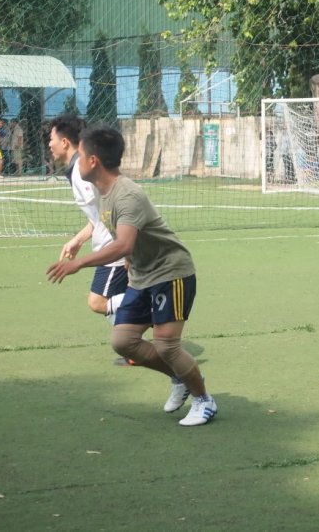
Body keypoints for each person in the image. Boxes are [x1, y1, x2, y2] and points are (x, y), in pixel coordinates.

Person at [47, 125, 216, 426]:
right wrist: (83, 240)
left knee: (167, 345)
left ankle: (204, 399)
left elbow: (124, 242)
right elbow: (112, 229)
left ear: (94, 160)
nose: (77, 160)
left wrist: (79, 263)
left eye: (81, 155)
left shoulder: (128, 194)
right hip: (141, 275)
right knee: (124, 341)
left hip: (170, 272)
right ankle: (181, 377)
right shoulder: (103, 193)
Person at [47, 115, 129, 331]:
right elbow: (99, 214)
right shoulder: (78, 169)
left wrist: (128, 249)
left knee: (98, 302)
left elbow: (112, 209)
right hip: (113, 247)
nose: (49, 144)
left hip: (114, 249)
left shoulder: (81, 172)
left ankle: (148, 303)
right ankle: (133, 344)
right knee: (111, 301)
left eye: (51, 138)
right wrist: (79, 239)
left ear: (64, 142)